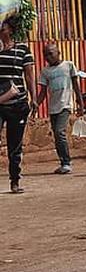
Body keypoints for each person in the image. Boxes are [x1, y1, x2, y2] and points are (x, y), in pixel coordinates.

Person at [0, 12, 37, 194]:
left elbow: (29, 75)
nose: (1, 30)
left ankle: (15, 181)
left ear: (11, 30)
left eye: (3, 28)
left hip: (17, 104)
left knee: (15, 145)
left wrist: (34, 97)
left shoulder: (23, 50)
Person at [37, 43, 82, 174]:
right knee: (57, 137)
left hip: (65, 105)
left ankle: (67, 162)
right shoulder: (45, 71)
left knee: (59, 132)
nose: (48, 57)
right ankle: (63, 162)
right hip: (53, 107)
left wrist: (80, 102)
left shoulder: (68, 65)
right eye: (45, 54)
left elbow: (75, 84)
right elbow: (43, 92)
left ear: (58, 52)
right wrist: (35, 104)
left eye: (50, 53)